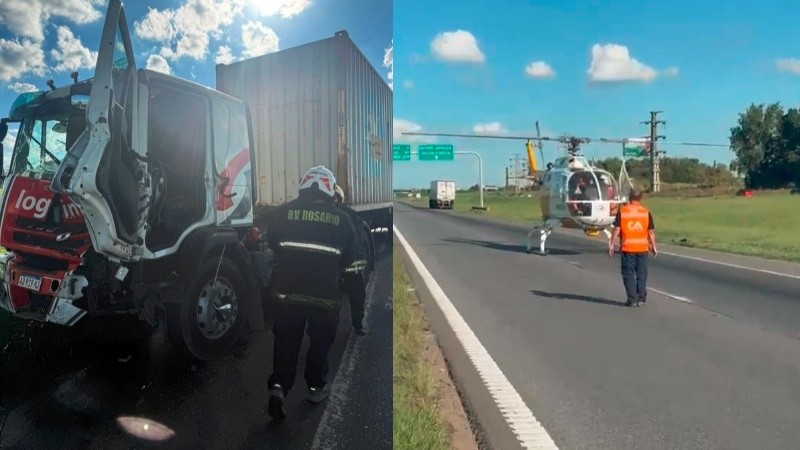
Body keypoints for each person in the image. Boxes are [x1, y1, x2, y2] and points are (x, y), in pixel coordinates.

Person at [264, 166, 359, 420]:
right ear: (329, 191)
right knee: (320, 343)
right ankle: (316, 386)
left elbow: (273, 244)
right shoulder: (342, 219)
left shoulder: (281, 214)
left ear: (303, 187)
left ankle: (279, 387)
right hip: (325, 297)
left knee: (285, 341)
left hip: (286, 295)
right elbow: (350, 257)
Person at [607, 189, 657, 307]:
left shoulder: (623, 211)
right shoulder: (646, 212)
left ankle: (632, 299)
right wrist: (653, 246)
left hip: (628, 248)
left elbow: (617, 229)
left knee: (628, 274)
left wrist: (611, 243)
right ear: (640, 198)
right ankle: (641, 297)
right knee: (641, 274)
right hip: (642, 248)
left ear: (629, 197)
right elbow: (651, 231)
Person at [333, 184, 370, 336]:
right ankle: (358, 325)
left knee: (331, 297)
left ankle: (334, 326)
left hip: (332, 266)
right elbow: (359, 241)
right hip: (350, 266)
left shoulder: (323, 215)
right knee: (357, 295)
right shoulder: (351, 215)